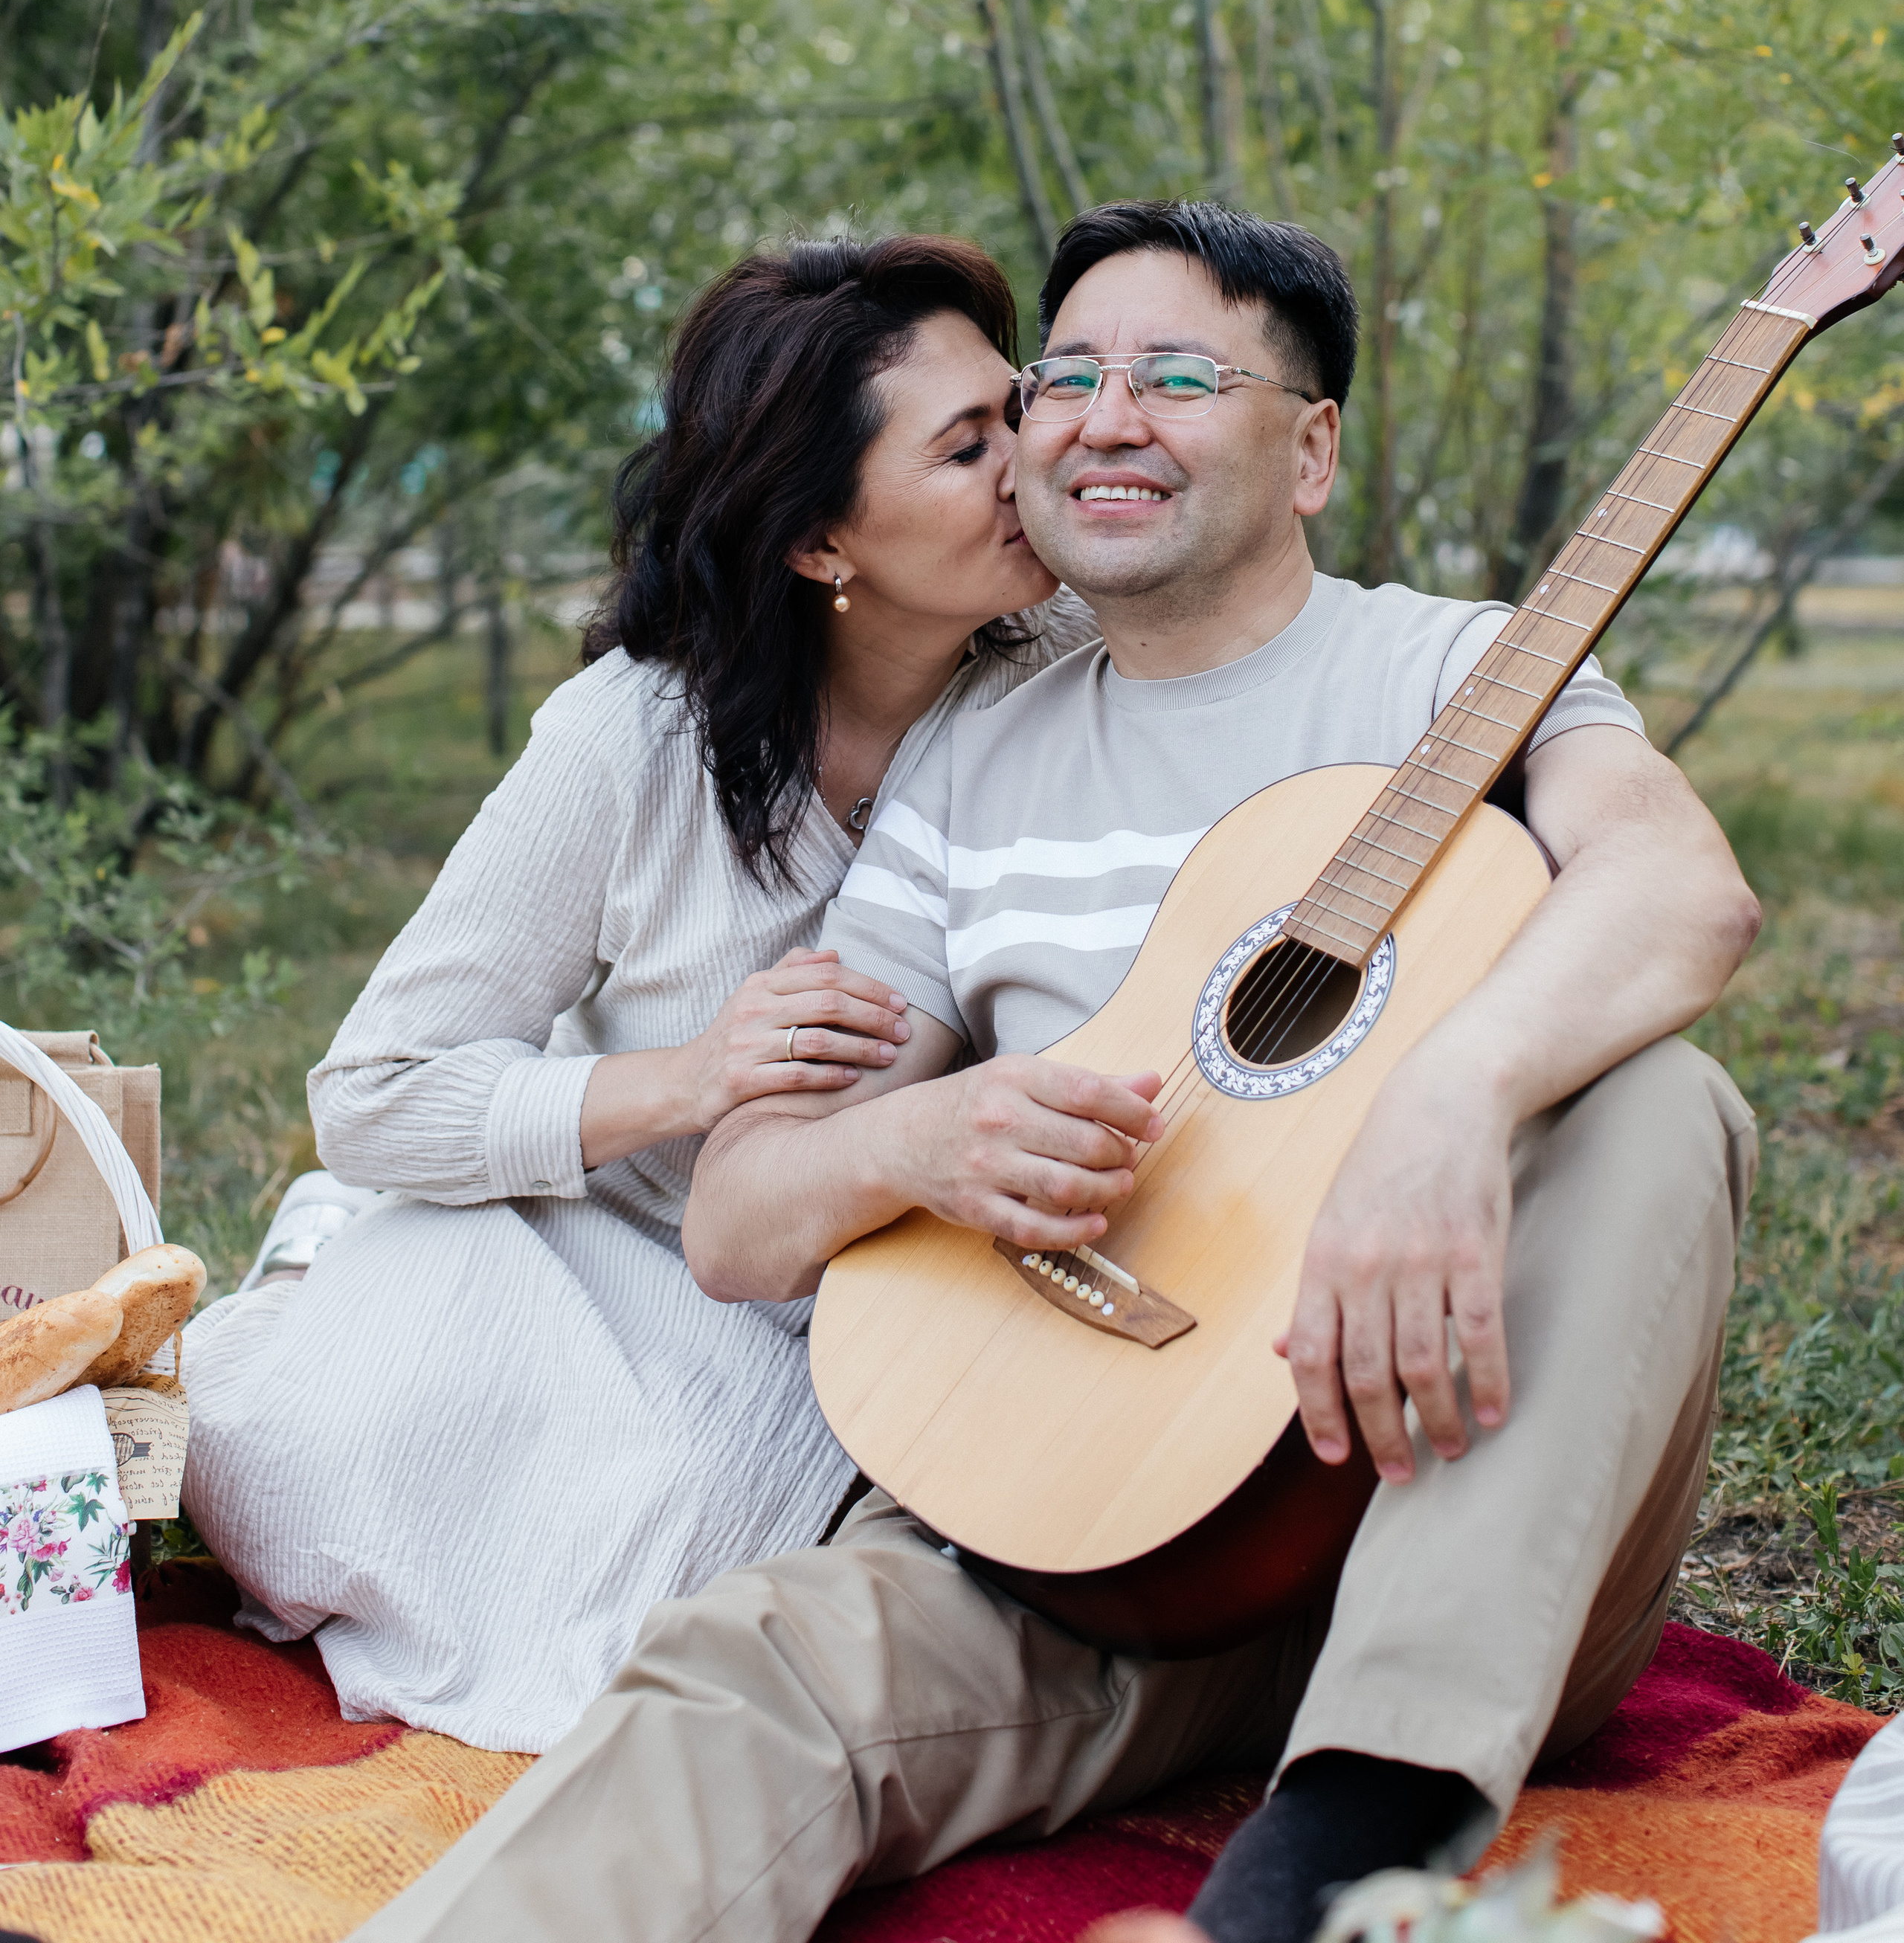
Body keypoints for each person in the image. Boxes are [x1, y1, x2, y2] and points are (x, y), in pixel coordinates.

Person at [352, 199, 1762, 1943]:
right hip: (1094, 1544)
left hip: (1467, 1543)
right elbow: (739, 1218)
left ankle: (1337, 1849)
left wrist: (1449, 1099)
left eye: (1180, 375)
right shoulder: (972, 750)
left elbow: (1679, 889)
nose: (1105, 415)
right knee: (750, 1666)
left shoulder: (1457, 667)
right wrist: (924, 1137)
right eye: (1064, 376)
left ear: (1308, 447)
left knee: (1652, 1101)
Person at [180, 234, 1096, 1751]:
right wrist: (688, 1077)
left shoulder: (1073, 674)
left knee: (726, 1572)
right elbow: (372, 1093)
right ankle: (319, 1284)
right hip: (593, 1242)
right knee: (280, 1450)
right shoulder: (633, 741)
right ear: (820, 543)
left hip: (874, 1290)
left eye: (1019, 409)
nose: (1032, 460)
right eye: (964, 445)